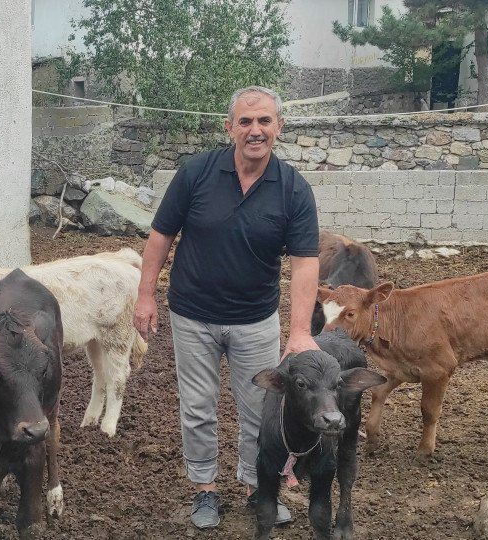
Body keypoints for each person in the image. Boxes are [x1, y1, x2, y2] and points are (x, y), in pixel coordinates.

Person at [133, 86, 321, 529]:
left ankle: (258, 487)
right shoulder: (196, 173)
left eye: (264, 121)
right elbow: (160, 236)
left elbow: (305, 262)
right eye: (245, 121)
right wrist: (145, 295)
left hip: (255, 320)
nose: (255, 130)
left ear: (279, 127)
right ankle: (205, 490)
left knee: (260, 409)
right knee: (198, 406)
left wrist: (299, 330)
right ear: (229, 127)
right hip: (192, 316)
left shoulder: (293, 189)